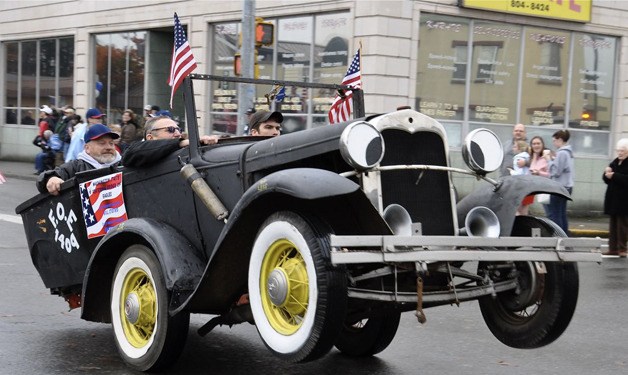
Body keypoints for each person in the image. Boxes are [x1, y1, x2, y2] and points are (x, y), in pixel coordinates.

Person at [36, 123, 122, 195]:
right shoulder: (76, 167)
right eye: (102, 143)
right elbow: (44, 177)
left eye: (111, 143)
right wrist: (51, 179)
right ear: (87, 148)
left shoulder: (122, 165)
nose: (108, 147)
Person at [122, 115, 220, 168]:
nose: (178, 134)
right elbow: (130, 154)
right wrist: (180, 142)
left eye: (179, 130)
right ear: (150, 137)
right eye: (170, 130)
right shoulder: (135, 152)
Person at [602, 138, 628, 257]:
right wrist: (606, 174)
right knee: (613, 226)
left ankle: (622, 248)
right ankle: (613, 248)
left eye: (622, 150)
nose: (619, 153)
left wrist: (614, 175)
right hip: (613, 199)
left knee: (622, 226)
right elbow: (607, 180)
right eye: (618, 150)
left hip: (624, 200)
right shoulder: (615, 161)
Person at [545, 129, 574, 235]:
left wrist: (548, 159)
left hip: (559, 187)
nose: (553, 143)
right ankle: (564, 236)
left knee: (556, 213)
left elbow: (556, 172)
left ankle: (559, 236)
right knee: (562, 213)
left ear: (560, 140)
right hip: (567, 187)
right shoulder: (569, 152)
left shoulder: (562, 153)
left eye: (554, 140)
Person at [518, 136, 551, 216]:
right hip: (535, 188)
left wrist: (539, 173)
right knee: (522, 211)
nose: (536, 145)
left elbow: (551, 174)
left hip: (547, 189)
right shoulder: (534, 156)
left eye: (538, 143)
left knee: (552, 214)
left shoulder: (546, 156)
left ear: (542, 144)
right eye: (534, 144)